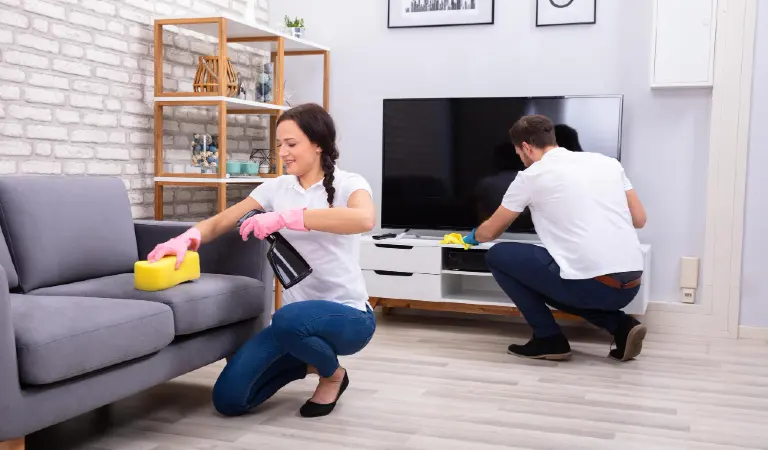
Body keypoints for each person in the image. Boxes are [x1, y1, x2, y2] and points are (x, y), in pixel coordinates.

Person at [146, 103, 377, 417]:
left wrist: (288, 218)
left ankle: (332, 374)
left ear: (318, 143)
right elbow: (220, 221)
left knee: (286, 318)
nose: (282, 151)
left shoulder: (350, 184)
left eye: (291, 144)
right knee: (229, 399)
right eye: (279, 144)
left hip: (349, 316)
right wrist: (185, 239)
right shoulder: (275, 188)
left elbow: (364, 219)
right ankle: (306, 356)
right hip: (295, 325)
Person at [464, 114, 647, 362]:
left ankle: (548, 338)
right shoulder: (609, 163)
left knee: (498, 256)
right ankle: (622, 327)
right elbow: (639, 219)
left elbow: (491, 232)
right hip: (632, 283)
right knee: (560, 276)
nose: (520, 158)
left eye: (518, 152)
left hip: (593, 286)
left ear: (526, 147)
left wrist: (470, 238)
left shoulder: (531, 176)